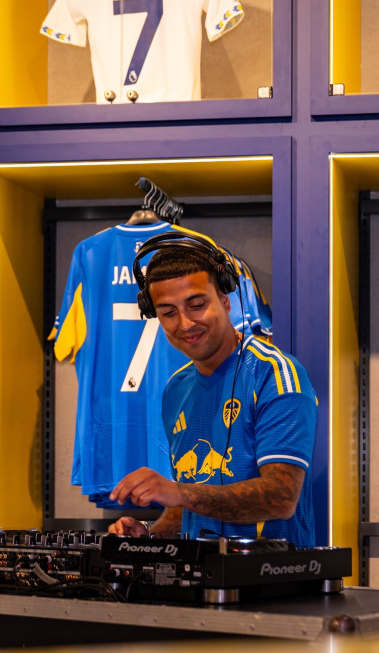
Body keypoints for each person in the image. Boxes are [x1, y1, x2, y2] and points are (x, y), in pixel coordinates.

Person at [108, 232, 318, 546]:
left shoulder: (274, 373)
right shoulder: (175, 389)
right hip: (202, 573)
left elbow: (280, 498)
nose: (185, 323)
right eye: (168, 312)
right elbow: (192, 500)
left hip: (272, 572)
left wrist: (178, 492)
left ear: (225, 299)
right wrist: (151, 535)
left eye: (196, 305)